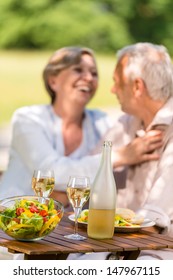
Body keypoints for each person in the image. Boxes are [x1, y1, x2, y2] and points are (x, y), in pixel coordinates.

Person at [0, 46, 161, 209]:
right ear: (53, 81)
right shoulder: (28, 119)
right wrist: (118, 157)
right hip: (13, 217)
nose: (89, 78)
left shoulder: (101, 121)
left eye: (94, 73)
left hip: (66, 224)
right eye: (78, 70)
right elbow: (50, 173)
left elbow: (102, 182)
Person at [106, 42, 173, 260]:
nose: (112, 90)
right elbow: (84, 180)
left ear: (137, 87)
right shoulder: (126, 124)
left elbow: (156, 219)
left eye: (116, 82)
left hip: (159, 251)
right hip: (119, 244)